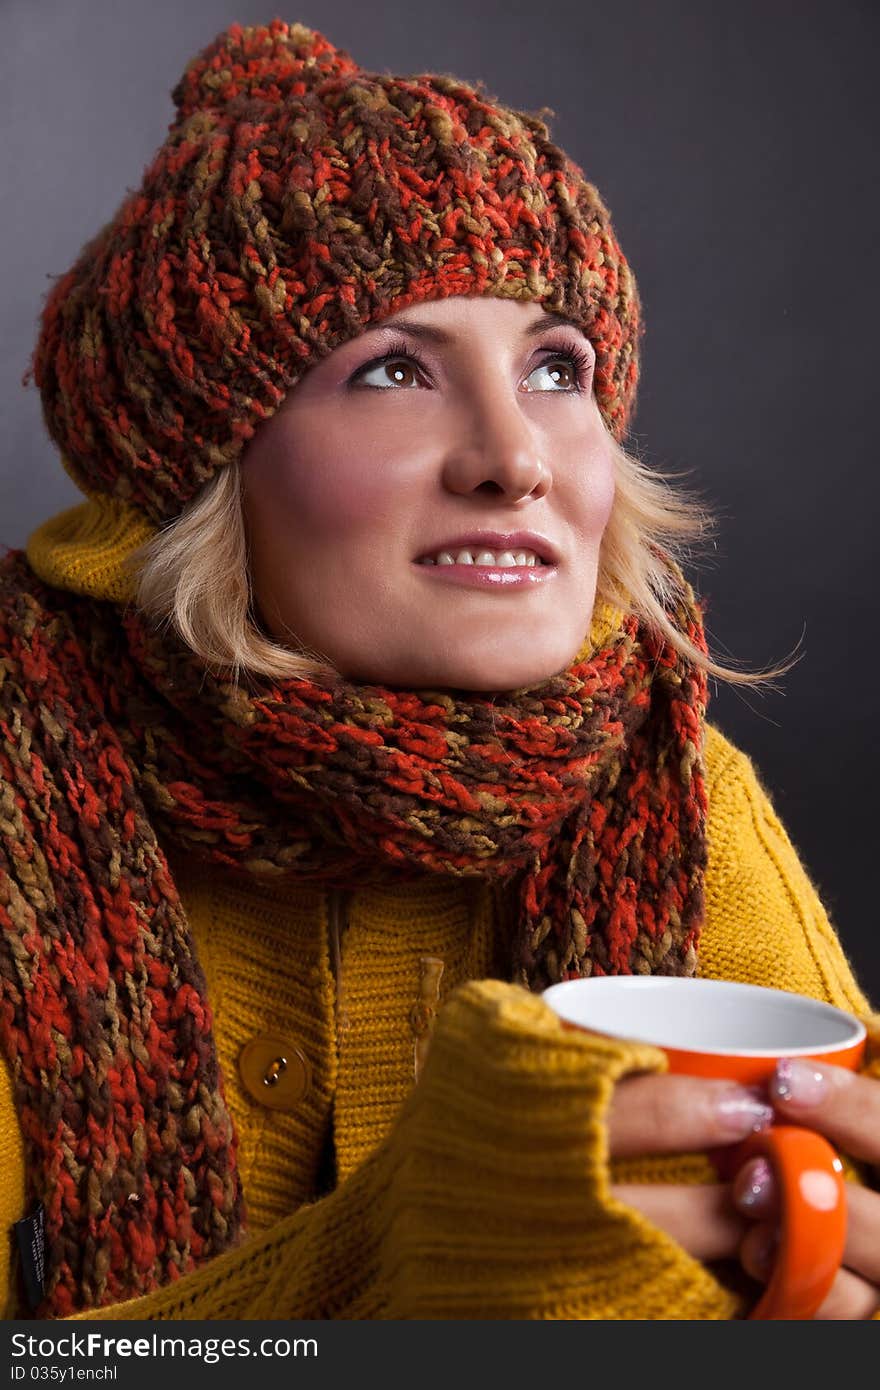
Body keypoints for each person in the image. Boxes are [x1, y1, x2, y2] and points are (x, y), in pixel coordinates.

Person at [1, 18, 878, 1322]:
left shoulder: (676, 781)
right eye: (394, 368)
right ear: (203, 471)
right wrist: (409, 1254)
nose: (513, 455)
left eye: (556, 366)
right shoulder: (25, 788)